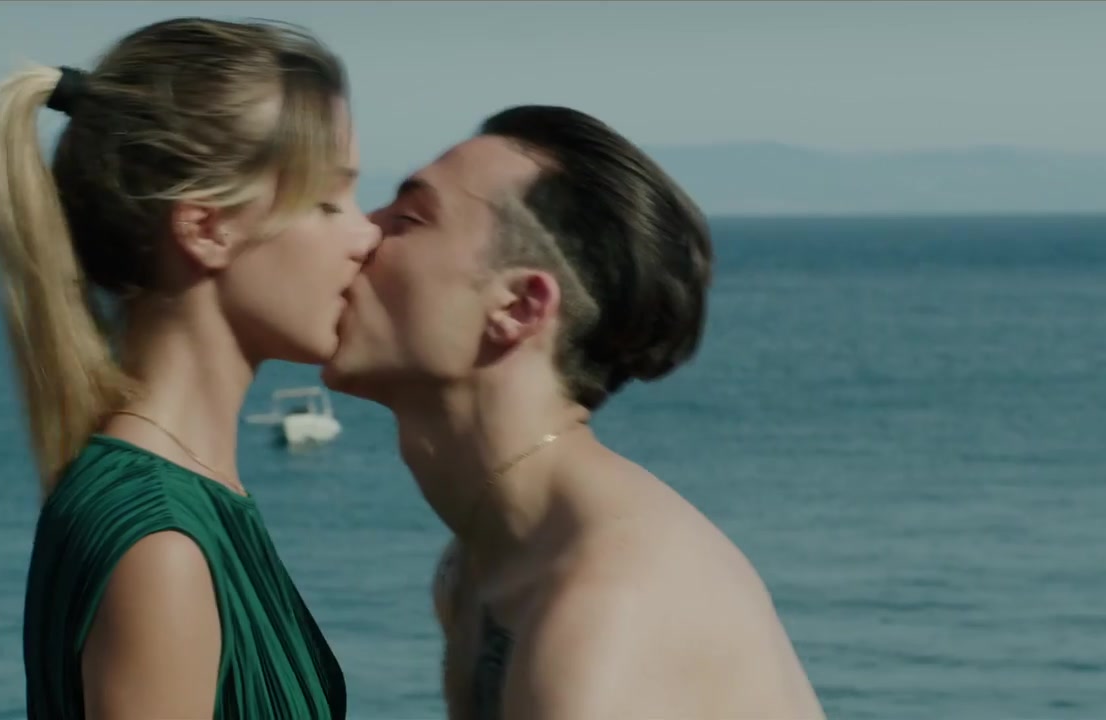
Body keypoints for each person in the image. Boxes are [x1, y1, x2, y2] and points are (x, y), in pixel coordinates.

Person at [322, 105, 825, 719]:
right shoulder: (481, 565)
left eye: (406, 220)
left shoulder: (603, 612)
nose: (359, 235)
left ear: (518, 306)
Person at [0, 17, 378, 719]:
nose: (366, 234)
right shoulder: (162, 543)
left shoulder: (180, 503)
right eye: (326, 202)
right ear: (206, 228)